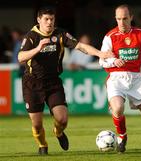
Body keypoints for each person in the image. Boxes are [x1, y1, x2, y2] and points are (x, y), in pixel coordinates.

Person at [18, 6, 113, 155]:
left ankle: (58, 132)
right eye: (46, 19)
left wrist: (101, 53)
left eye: (52, 19)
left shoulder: (60, 34)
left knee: (62, 119)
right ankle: (43, 145)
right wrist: (38, 48)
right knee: (37, 125)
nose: (49, 23)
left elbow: (80, 46)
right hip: (32, 83)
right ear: (39, 20)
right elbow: (20, 57)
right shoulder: (31, 36)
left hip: (53, 82)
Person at [99, 4, 141, 155]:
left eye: (125, 18)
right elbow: (102, 60)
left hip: (136, 79)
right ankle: (122, 136)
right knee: (117, 108)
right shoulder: (110, 37)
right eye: (118, 19)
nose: (121, 23)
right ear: (115, 19)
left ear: (131, 18)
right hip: (116, 78)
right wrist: (113, 61)